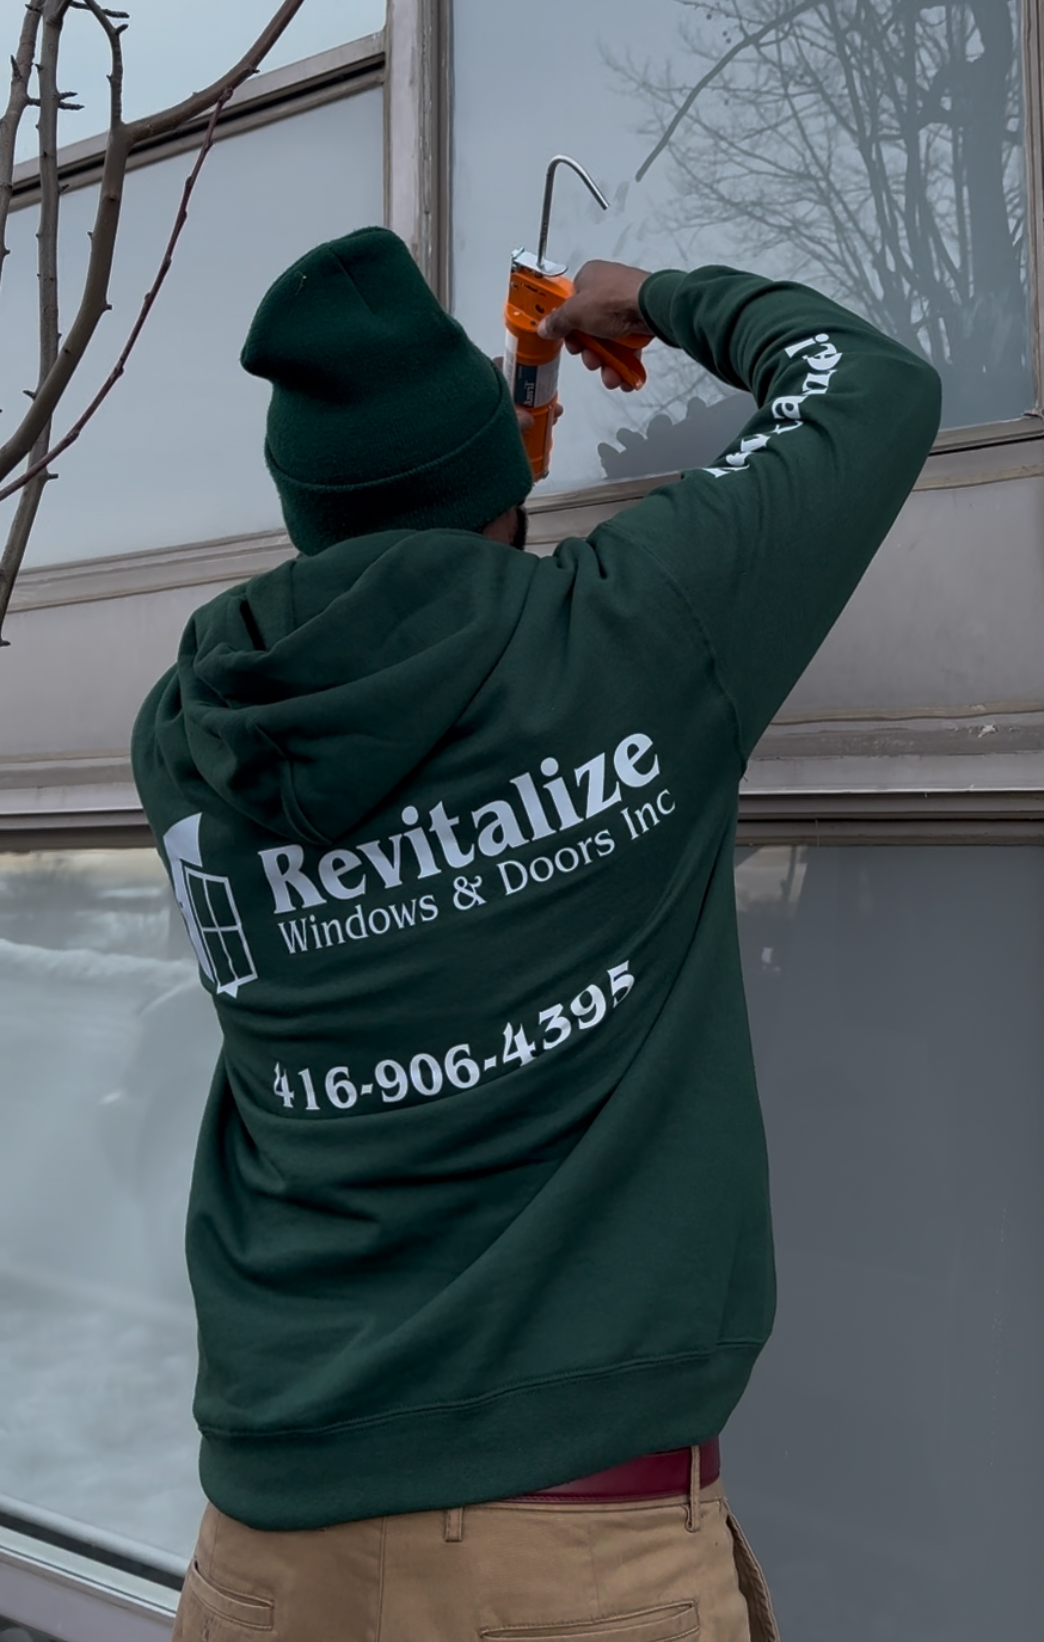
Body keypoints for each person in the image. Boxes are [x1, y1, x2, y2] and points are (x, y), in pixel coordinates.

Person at [131, 230, 941, 1642]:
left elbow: (412, 608)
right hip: (571, 1564)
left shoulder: (190, 734)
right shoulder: (631, 638)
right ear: (499, 485)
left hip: (264, 1549)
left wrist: (494, 446)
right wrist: (648, 301)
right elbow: (865, 385)